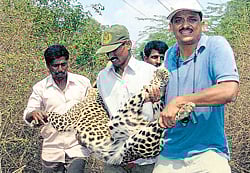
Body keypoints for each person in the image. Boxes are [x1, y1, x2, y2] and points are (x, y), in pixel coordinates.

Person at [152, 1, 239, 173]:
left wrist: (180, 101)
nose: (185, 25)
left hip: (208, 152)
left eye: (192, 19)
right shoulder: (169, 54)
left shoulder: (215, 45)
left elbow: (229, 90)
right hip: (169, 152)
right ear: (170, 27)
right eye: (178, 20)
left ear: (203, 25)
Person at [96, 24, 160, 173]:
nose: (111, 55)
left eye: (115, 50)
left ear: (128, 44)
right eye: (107, 52)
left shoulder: (149, 72)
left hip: (145, 158)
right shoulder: (102, 77)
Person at [23, 45, 91, 173]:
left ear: (67, 63)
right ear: (48, 66)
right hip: (51, 148)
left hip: (77, 147)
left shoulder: (83, 83)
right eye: (55, 66)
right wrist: (33, 113)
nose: (60, 69)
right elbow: (28, 112)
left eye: (63, 64)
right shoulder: (40, 88)